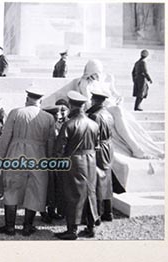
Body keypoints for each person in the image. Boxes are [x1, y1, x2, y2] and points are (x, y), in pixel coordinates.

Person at [42, 59, 164, 160]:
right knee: (118, 111)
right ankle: (136, 148)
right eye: (95, 73)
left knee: (125, 116)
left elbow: (112, 93)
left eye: (98, 73)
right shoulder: (82, 83)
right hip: (97, 111)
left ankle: (143, 147)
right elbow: (86, 103)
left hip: (107, 108)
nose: (96, 76)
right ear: (90, 72)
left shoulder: (102, 81)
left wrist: (118, 98)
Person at [0, 90, 55, 236]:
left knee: (11, 189)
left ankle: (9, 227)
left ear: (27, 98)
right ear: (40, 101)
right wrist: (49, 161)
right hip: (38, 157)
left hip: (16, 155)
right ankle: (27, 227)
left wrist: (0, 157)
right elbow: (51, 142)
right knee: (35, 190)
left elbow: (5, 137)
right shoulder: (48, 118)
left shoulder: (15, 113)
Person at [54, 91, 99, 240]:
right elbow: (97, 145)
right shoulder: (93, 124)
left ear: (72, 105)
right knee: (90, 193)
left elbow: (59, 148)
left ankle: (72, 230)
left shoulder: (69, 124)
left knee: (72, 194)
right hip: (91, 160)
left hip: (73, 161)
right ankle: (91, 227)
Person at [86, 90, 115, 224]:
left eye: (92, 99)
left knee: (96, 179)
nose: (90, 101)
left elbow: (93, 135)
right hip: (108, 147)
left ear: (95, 101)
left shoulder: (94, 115)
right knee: (107, 178)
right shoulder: (108, 114)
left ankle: (96, 214)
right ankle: (108, 212)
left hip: (98, 148)